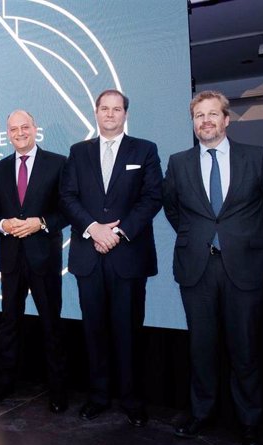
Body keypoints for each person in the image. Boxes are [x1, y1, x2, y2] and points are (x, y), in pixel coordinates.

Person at [163, 90, 263, 445]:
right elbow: (173, 209)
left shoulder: (256, 157)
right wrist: (196, 236)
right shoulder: (179, 162)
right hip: (197, 269)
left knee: (245, 350)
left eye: (212, 114)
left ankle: (249, 423)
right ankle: (202, 413)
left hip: (245, 268)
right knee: (201, 348)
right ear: (194, 122)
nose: (206, 121)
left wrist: (246, 237)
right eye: (199, 115)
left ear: (226, 119)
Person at [60, 90, 162, 426]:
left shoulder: (144, 150)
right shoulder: (78, 152)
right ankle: (99, 396)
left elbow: (152, 198)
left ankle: (132, 400)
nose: (110, 114)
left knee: (128, 331)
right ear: (96, 112)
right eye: (104, 108)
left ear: (125, 114)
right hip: (89, 256)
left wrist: (116, 233)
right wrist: (93, 228)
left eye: (116, 109)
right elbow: (68, 196)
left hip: (128, 256)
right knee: (95, 331)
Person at [0, 110, 69, 413]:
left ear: (36, 129)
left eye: (25, 127)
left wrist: (41, 222)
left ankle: (58, 391)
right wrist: (4, 225)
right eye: (13, 129)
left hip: (43, 258)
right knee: (9, 325)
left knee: (51, 325)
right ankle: (4, 386)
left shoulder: (58, 163)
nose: (19, 133)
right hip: (10, 259)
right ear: (7, 133)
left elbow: (66, 210)